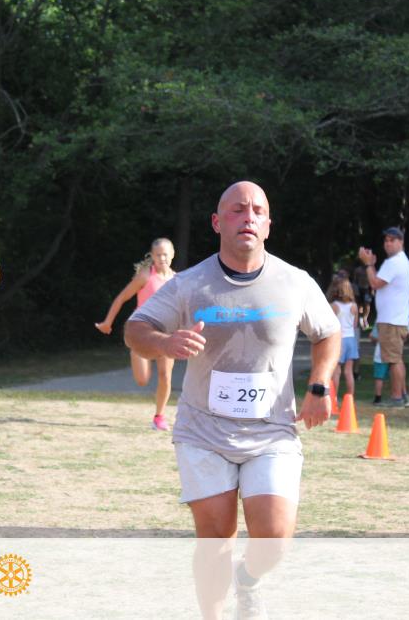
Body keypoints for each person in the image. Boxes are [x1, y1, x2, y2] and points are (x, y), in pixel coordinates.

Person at [124, 181, 340, 618]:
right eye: (238, 210)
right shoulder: (190, 284)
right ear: (217, 222)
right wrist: (165, 343)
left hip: (272, 431)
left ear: (268, 225)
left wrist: (319, 384)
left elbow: (328, 332)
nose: (248, 218)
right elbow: (135, 329)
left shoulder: (294, 282)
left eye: (257, 210)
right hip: (204, 431)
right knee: (215, 537)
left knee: (275, 536)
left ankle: (248, 578)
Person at [96, 238, 177, 431]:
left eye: (165, 254)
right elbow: (122, 298)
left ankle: (159, 417)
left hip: (166, 333)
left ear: (173, 254)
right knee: (142, 380)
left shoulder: (177, 280)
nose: (162, 258)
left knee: (165, 376)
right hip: (142, 332)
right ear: (152, 256)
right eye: (158, 255)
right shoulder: (145, 276)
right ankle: (135, 350)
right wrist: (107, 322)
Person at [358, 227, 409, 408]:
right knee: (396, 358)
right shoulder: (400, 261)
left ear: (401, 242)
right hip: (396, 319)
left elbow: (375, 283)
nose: (388, 243)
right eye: (386, 240)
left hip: (391, 321)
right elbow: (379, 282)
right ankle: (403, 396)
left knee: (393, 360)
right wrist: (372, 266)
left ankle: (397, 398)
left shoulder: (394, 263)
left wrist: (368, 265)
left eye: (392, 240)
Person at [326, 276, 359, 399]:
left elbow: (330, 324)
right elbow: (355, 325)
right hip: (351, 339)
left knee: (336, 371)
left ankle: (334, 398)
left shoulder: (334, 306)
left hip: (338, 340)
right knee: (348, 371)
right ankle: (350, 398)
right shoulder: (354, 306)